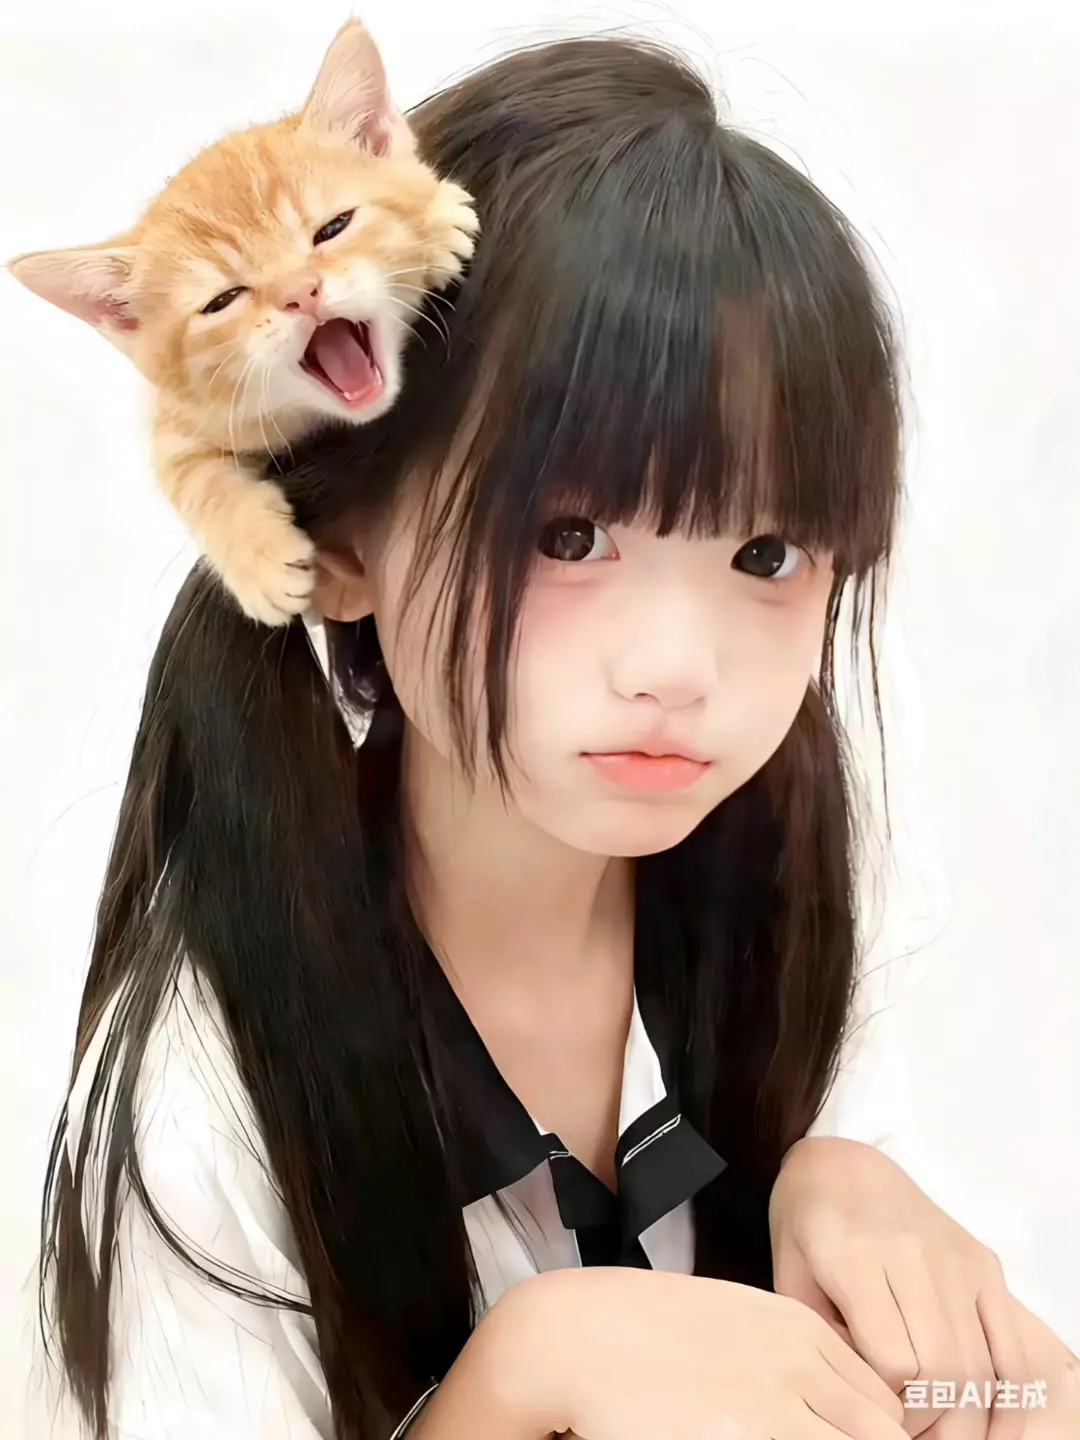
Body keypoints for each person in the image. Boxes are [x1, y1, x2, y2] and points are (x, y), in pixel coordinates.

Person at [40, 33, 1077, 1440]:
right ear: (340, 547)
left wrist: (860, 1215)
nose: (677, 669)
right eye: (569, 535)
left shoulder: (797, 891)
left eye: (767, 554)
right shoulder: (203, 1093)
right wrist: (519, 1379)